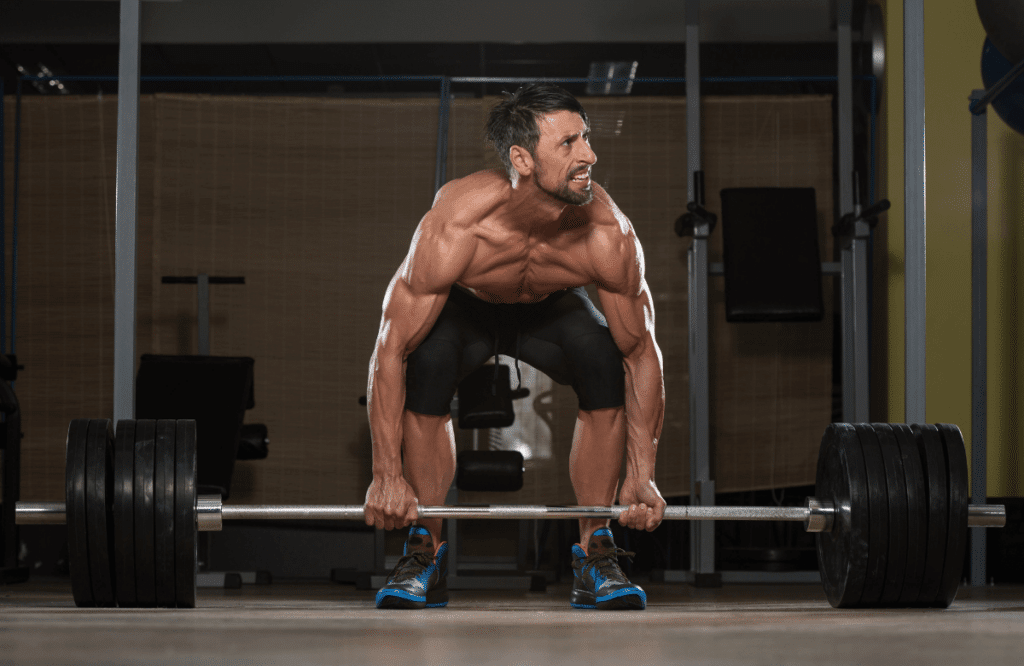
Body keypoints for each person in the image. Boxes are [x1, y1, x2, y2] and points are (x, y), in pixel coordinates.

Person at [363, 83, 666, 610]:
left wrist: (642, 474)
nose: (589, 155)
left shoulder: (606, 232)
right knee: (428, 363)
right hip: (468, 309)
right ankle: (424, 549)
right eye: (568, 143)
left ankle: (595, 549)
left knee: (602, 359)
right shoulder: (459, 221)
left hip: (552, 308)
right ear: (521, 159)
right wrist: (386, 476)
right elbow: (390, 349)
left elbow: (641, 352)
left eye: (586, 138)